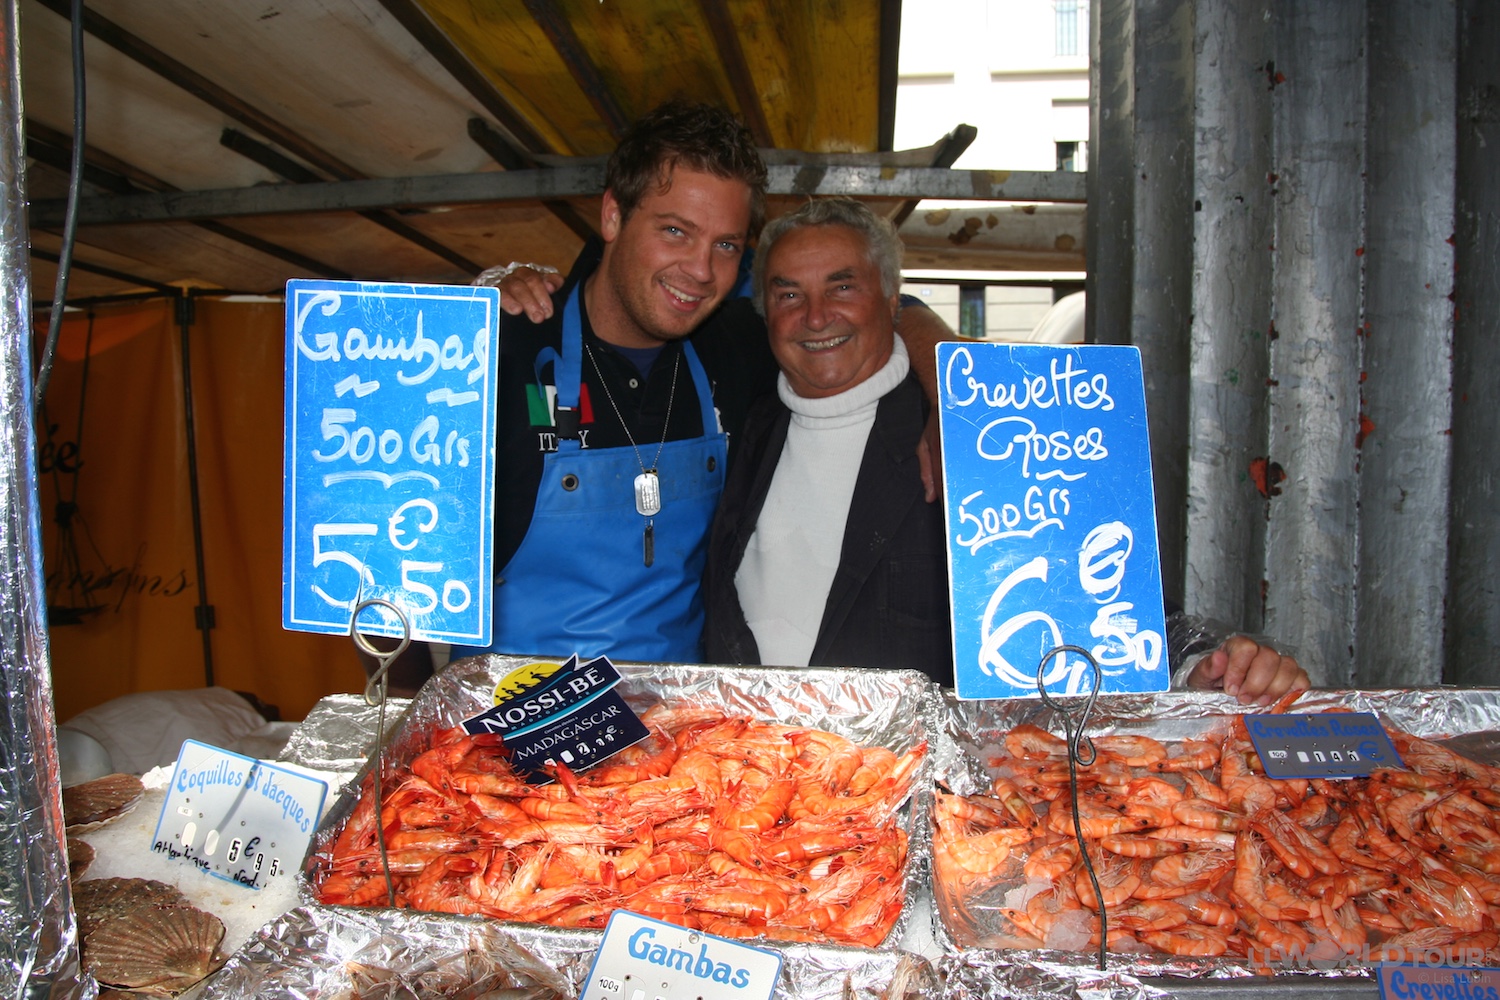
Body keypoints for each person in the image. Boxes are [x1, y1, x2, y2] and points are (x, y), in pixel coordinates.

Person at [697, 198, 1309, 705]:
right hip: (760, 785)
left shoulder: (984, 433)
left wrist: (1207, 666)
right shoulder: (753, 420)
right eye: (788, 295)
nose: (815, 316)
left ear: (892, 301)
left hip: (911, 801)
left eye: (843, 286)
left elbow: (1102, 591)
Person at [441, 101, 953, 671]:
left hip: (679, 734)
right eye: (675, 231)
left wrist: (956, 394)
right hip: (510, 728)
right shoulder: (499, 350)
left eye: (726, 245)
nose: (702, 270)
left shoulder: (731, 346)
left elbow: (871, 311)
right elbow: (392, 575)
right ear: (612, 216)